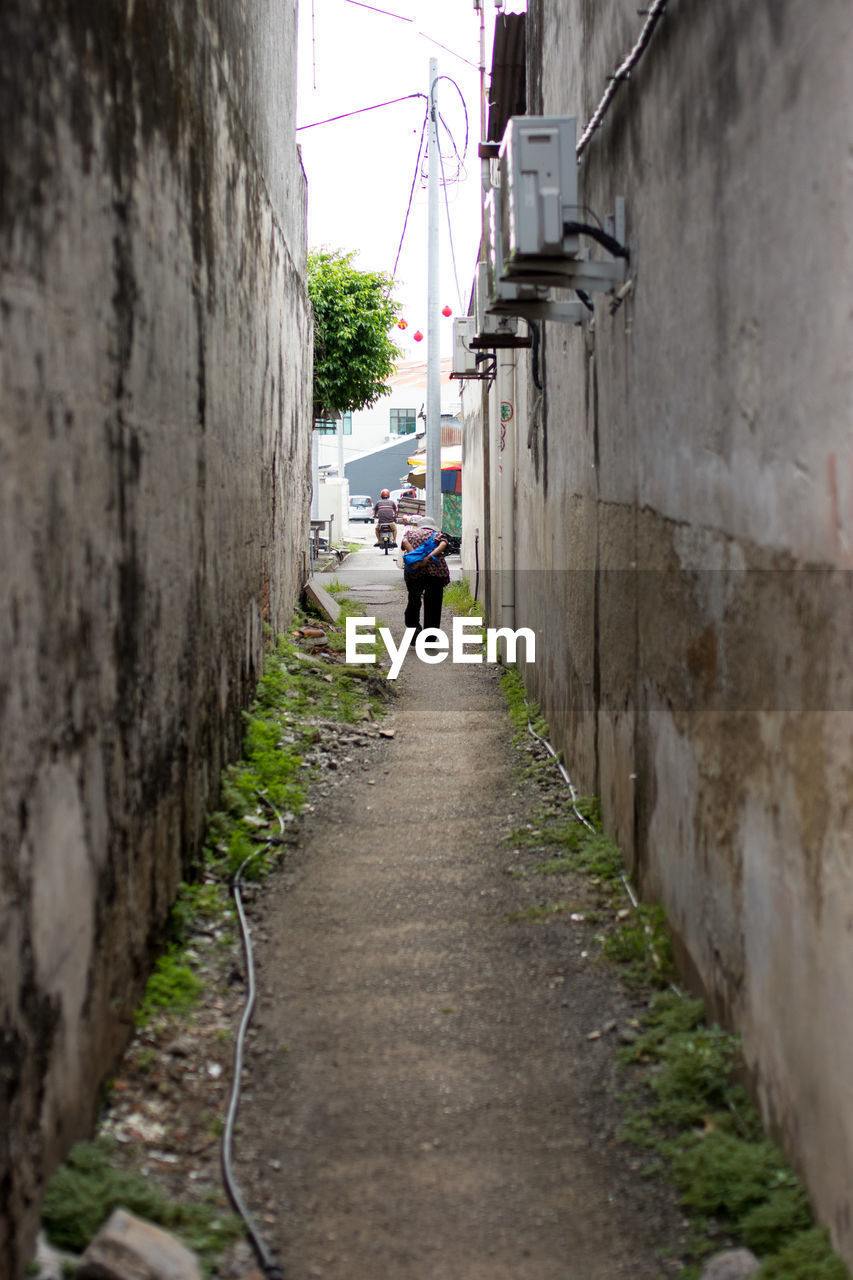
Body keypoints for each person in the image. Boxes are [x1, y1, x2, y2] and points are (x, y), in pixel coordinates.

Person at [400, 516, 450, 635]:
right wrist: (427, 558)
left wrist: (416, 558)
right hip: (435, 573)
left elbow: (404, 542)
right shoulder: (438, 535)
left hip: (414, 572)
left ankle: (414, 629)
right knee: (433, 603)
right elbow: (443, 544)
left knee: (414, 600)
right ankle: (430, 637)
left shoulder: (410, 534)